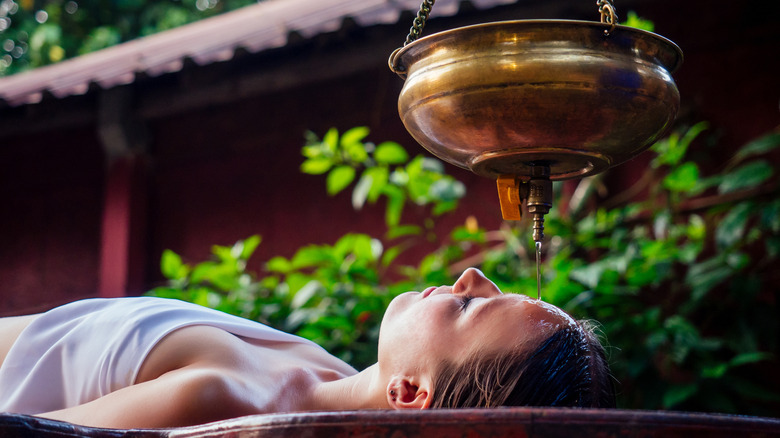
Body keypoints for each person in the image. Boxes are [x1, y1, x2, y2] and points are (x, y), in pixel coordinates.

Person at [0, 268, 615, 429]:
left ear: (411, 393)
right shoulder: (333, 378)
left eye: (467, 307)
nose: (472, 276)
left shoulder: (220, 401)